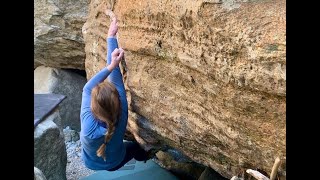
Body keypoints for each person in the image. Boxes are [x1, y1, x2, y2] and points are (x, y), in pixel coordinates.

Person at [80, 12, 152, 171]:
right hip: (116, 161)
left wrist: (110, 62)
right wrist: (111, 39)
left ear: (93, 107)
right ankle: (146, 157)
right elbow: (116, 78)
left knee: (123, 148)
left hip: (91, 163)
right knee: (135, 148)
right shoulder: (122, 114)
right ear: (118, 102)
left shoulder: (88, 126)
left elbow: (87, 88)